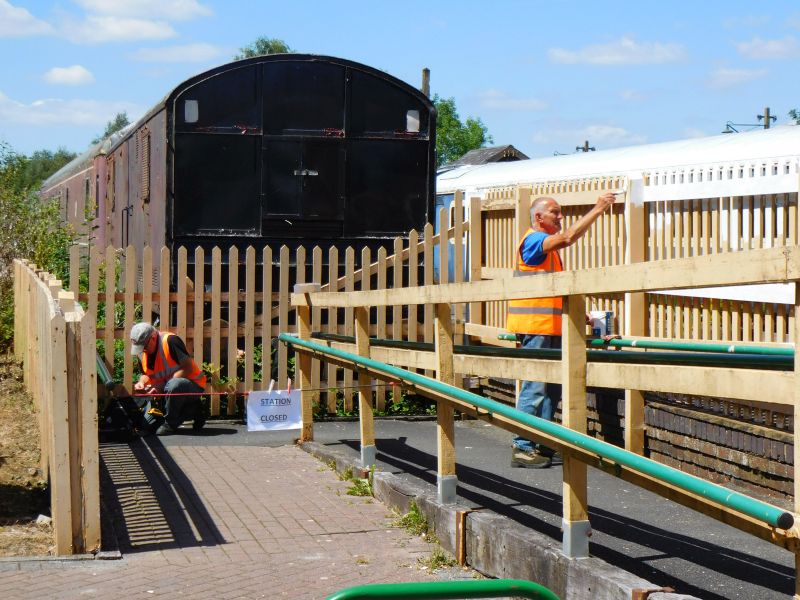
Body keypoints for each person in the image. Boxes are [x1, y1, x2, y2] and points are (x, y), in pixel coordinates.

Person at [507, 193, 616, 468]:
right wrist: (599, 209)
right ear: (539, 217)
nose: (560, 217)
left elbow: (554, 294)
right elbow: (568, 237)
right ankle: (522, 447)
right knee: (535, 387)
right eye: (555, 212)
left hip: (550, 329)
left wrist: (583, 318)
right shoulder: (532, 240)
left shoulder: (548, 253)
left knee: (551, 390)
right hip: (536, 328)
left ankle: (542, 444)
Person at [130, 322, 207, 435]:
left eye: (144, 346)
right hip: (167, 389)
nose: (143, 350)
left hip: (192, 385)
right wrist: (141, 382)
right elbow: (146, 374)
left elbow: (188, 368)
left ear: (153, 337)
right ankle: (195, 410)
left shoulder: (170, 341)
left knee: (174, 385)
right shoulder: (142, 352)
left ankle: (170, 424)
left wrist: (162, 386)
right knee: (146, 426)